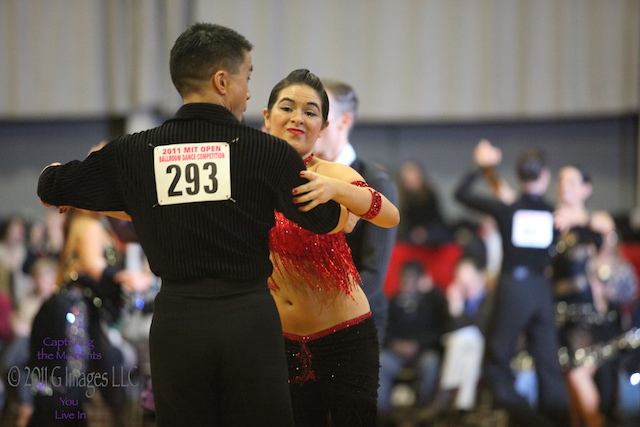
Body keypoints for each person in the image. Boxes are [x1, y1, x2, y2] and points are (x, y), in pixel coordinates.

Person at [37, 23, 346, 427]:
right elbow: (325, 219)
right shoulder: (268, 152)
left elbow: (52, 186)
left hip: (177, 323)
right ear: (222, 81)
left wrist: (56, 176)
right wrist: (344, 187)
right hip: (249, 322)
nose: (249, 92)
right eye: (247, 77)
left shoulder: (135, 151)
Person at [262, 69, 400, 426]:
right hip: (280, 340)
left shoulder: (334, 173)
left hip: (345, 338)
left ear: (323, 125)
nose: (298, 118)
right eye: (287, 107)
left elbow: (389, 215)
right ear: (267, 117)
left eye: (310, 112)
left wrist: (336, 189)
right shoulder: (250, 177)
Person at [454, 140, 570, 426]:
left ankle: (530, 420)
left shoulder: (508, 209)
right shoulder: (554, 213)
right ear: (545, 176)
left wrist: (481, 167)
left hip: (513, 289)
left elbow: (461, 194)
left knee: (495, 365)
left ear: (519, 176)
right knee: (549, 367)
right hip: (541, 290)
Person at [313, 79, 399, 343]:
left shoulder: (375, 182)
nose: (310, 124)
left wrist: (322, 313)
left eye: (319, 115)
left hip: (357, 318)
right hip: (304, 320)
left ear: (345, 120)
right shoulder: (298, 176)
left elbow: (373, 274)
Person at [552, 165, 624, 427]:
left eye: (571, 182)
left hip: (587, 312)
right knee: (568, 376)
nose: (564, 186)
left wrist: (575, 219)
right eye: (561, 181)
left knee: (578, 374)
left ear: (586, 188)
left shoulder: (593, 222)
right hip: (558, 312)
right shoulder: (552, 222)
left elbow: (607, 229)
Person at [419, 256, 494, 421]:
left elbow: (480, 328)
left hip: (484, 348)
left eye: (470, 281)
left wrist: (459, 312)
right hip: (460, 348)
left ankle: (444, 394)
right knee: (464, 343)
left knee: (469, 339)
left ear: (480, 277)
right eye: (462, 283)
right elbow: (449, 331)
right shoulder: (455, 298)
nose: (466, 287)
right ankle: (463, 406)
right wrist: (455, 307)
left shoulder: (491, 299)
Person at [377, 260, 448, 418]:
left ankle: (423, 411)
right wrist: (395, 344)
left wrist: (418, 345)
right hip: (395, 352)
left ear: (420, 279)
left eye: (412, 277)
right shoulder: (391, 303)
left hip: (422, 351)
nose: (408, 281)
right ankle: (384, 415)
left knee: (431, 363)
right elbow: (382, 330)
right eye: (405, 277)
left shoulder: (431, 302)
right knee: (382, 363)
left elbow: (439, 330)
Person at [396, 160, 453, 247]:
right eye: (409, 181)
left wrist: (425, 232)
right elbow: (402, 224)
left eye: (414, 179)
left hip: (432, 230)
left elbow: (436, 219)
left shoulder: (429, 194)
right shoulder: (400, 199)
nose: (412, 183)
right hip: (409, 233)